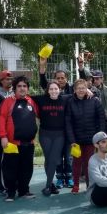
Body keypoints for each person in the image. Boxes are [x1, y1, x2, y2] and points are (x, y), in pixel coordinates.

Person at [0, 75, 39, 202]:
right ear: (14, 88)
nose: (22, 88)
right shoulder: (7, 101)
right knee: (10, 169)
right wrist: (3, 136)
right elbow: (1, 119)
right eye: (19, 86)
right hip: (12, 144)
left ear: (27, 89)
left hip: (29, 143)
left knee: (26, 169)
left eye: (24, 86)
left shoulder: (31, 101)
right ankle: (10, 192)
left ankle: (23, 190)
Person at [65, 79, 106, 194]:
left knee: (89, 164)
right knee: (76, 163)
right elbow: (68, 122)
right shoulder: (70, 102)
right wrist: (72, 139)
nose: (81, 90)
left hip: (91, 139)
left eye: (83, 88)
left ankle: (90, 185)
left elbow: (101, 118)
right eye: (78, 88)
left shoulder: (94, 101)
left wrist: (100, 137)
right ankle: (76, 186)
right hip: (76, 140)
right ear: (75, 90)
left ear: (87, 88)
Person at [39, 58, 73, 188]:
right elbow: (43, 81)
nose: (60, 80)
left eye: (62, 78)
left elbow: (82, 86)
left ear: (66, 78)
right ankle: (59, 178)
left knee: (68, 155)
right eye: (57, 78)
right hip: (54, 131)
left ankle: (69, 177)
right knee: (57, 156)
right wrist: (42, 67)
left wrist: (87, 90)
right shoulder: (51, 90)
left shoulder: (71, 90)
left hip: (67, 130)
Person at [32, 80, 70, 196]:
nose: (53, 91)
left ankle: (48, 186)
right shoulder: (41, 99)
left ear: (60, 90)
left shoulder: (66, 98)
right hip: (45, 134)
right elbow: (26, 96)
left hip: (60, 134)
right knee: (48, 160)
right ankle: (51, 185)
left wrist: (88, 90)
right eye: (51, 89)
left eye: (56, 89)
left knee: (53, 159)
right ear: (47, 91)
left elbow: (80, 92)